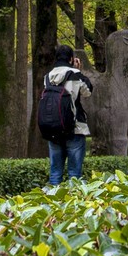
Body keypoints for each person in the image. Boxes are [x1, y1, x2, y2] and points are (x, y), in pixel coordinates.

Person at [36, 46, 94, 185]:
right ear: (71, 59)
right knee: (74, 174)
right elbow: (87, 91)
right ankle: (73, 198)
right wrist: (78, 70)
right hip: (74, 128)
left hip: (53, 129)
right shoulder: (75, 74)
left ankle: (54, 198)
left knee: (55, 173)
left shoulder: (48, 77)